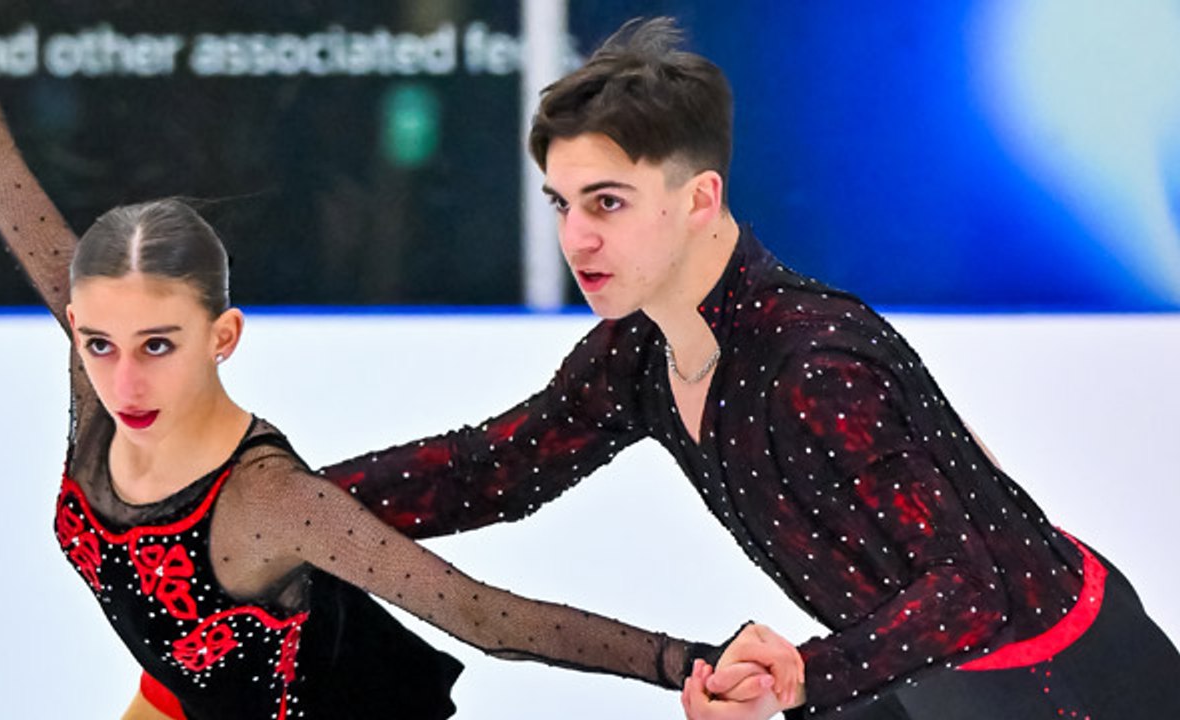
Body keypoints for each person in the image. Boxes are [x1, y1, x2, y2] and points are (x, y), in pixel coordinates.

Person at [0, 4, 806, 718]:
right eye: (97, 344)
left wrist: (687, 661)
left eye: (158, 347)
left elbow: (484, 616)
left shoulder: (270, 502)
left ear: (223, 338)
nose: (123, 381)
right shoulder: (97, 387)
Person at [300, 16, 1180, 720]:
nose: (577, 238)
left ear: (700, 199)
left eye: (608, 203)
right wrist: (271, 500)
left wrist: (803, 674)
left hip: (1062, 679)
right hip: (916, 670)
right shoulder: (641, 354)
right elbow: (493, 469)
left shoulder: (814, 362)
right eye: (563, 204)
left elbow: (970, 590)